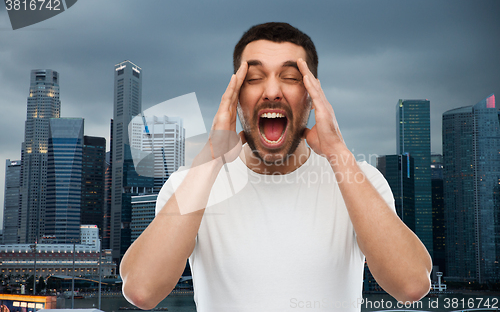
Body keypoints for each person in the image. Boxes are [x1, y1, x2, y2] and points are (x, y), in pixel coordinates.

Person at [120, 22, 432, 311]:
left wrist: (338, 150)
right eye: (254, 78)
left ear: (311, 95)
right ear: (237, 96)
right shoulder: (191, 184)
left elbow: (410, 285)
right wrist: (211, 156)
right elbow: (143, 290)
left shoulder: (359, 180)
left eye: (292, 77)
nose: (271, 91)